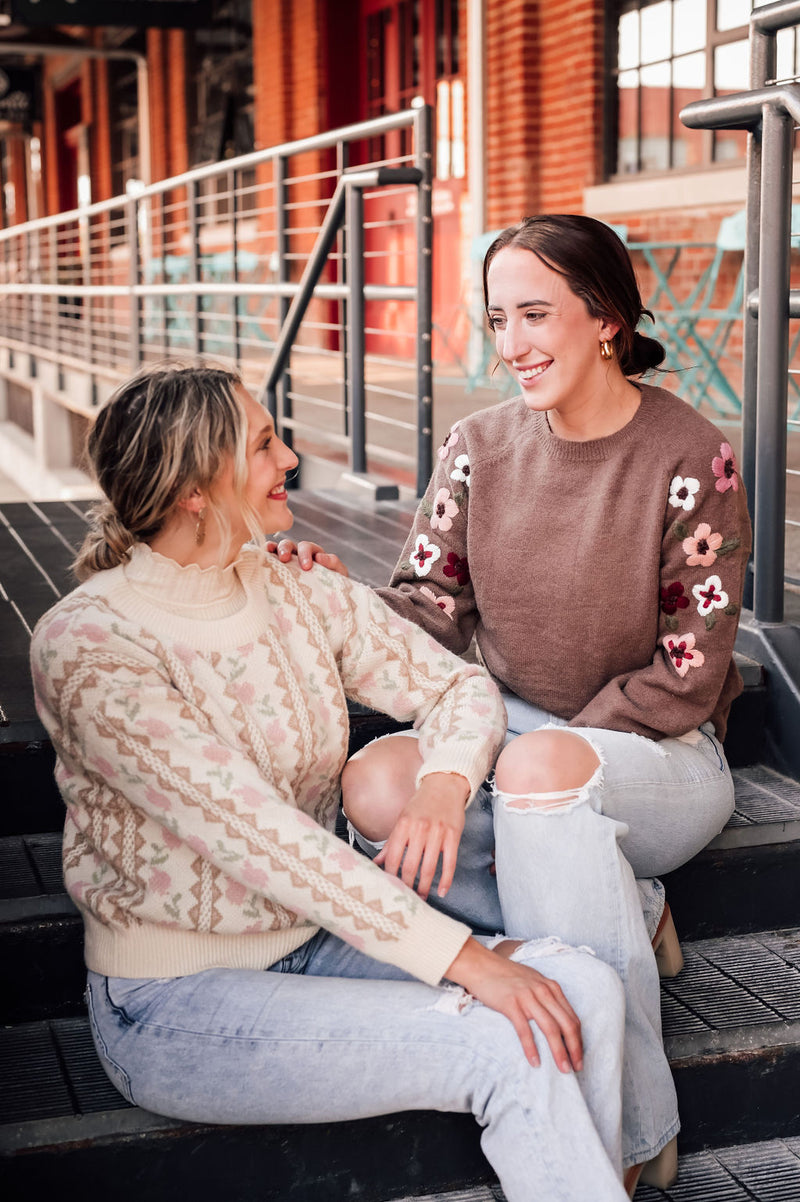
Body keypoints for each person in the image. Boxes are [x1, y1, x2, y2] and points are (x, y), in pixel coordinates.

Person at [29, 363, 632, 1202]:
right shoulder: (89, 645)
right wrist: (466, 960)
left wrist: (443, 783)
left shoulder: (292, 586)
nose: (291, 461)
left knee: (589, 989)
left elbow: (457, 687)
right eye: (266, 444)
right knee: (513, 1043)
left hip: (316, 941)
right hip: (175, 1003)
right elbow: (258, 838)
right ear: (195, 488)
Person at [273, 214, 752, 1196]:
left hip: (659, 752)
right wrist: (326, 592)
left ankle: (631, 1120)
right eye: (497, 319)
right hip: (514, 735)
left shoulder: (690, 457)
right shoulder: (475, 446)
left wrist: (533, 754)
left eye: (534, 314)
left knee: (536, 770)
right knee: (376, 786)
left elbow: (686, 671)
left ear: (605, 318)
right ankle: (629, 903)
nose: (511, 344)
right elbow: (424, 613)